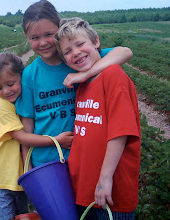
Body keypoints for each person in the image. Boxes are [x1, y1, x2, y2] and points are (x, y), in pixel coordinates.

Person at [15, 0, 133, 168]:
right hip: (46, 161)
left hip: (83, 157)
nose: (43, 42)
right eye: (35, 38)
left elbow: (125, 52)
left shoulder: (77, 60)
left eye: (49, 34)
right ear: (27, 38)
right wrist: (28, 168)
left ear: (58, 31)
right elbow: (28, 126)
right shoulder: (30, 74)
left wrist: (85, 73)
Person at [54, 17, 141, 220]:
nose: (75, 53)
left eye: (80, 44)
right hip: (84, 190)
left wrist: (105, 178)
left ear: (96, 41)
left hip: (111, 193)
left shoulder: (112, 75)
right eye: (67, 51)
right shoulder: (83, 84)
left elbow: (121, 132)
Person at [0, 52, 73, 220]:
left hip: (16, 179)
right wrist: (56, 141)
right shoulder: (2, 106)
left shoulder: (24, 100)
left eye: (10, 84)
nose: (6, 91)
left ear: (22, 77)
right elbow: (21, 137)